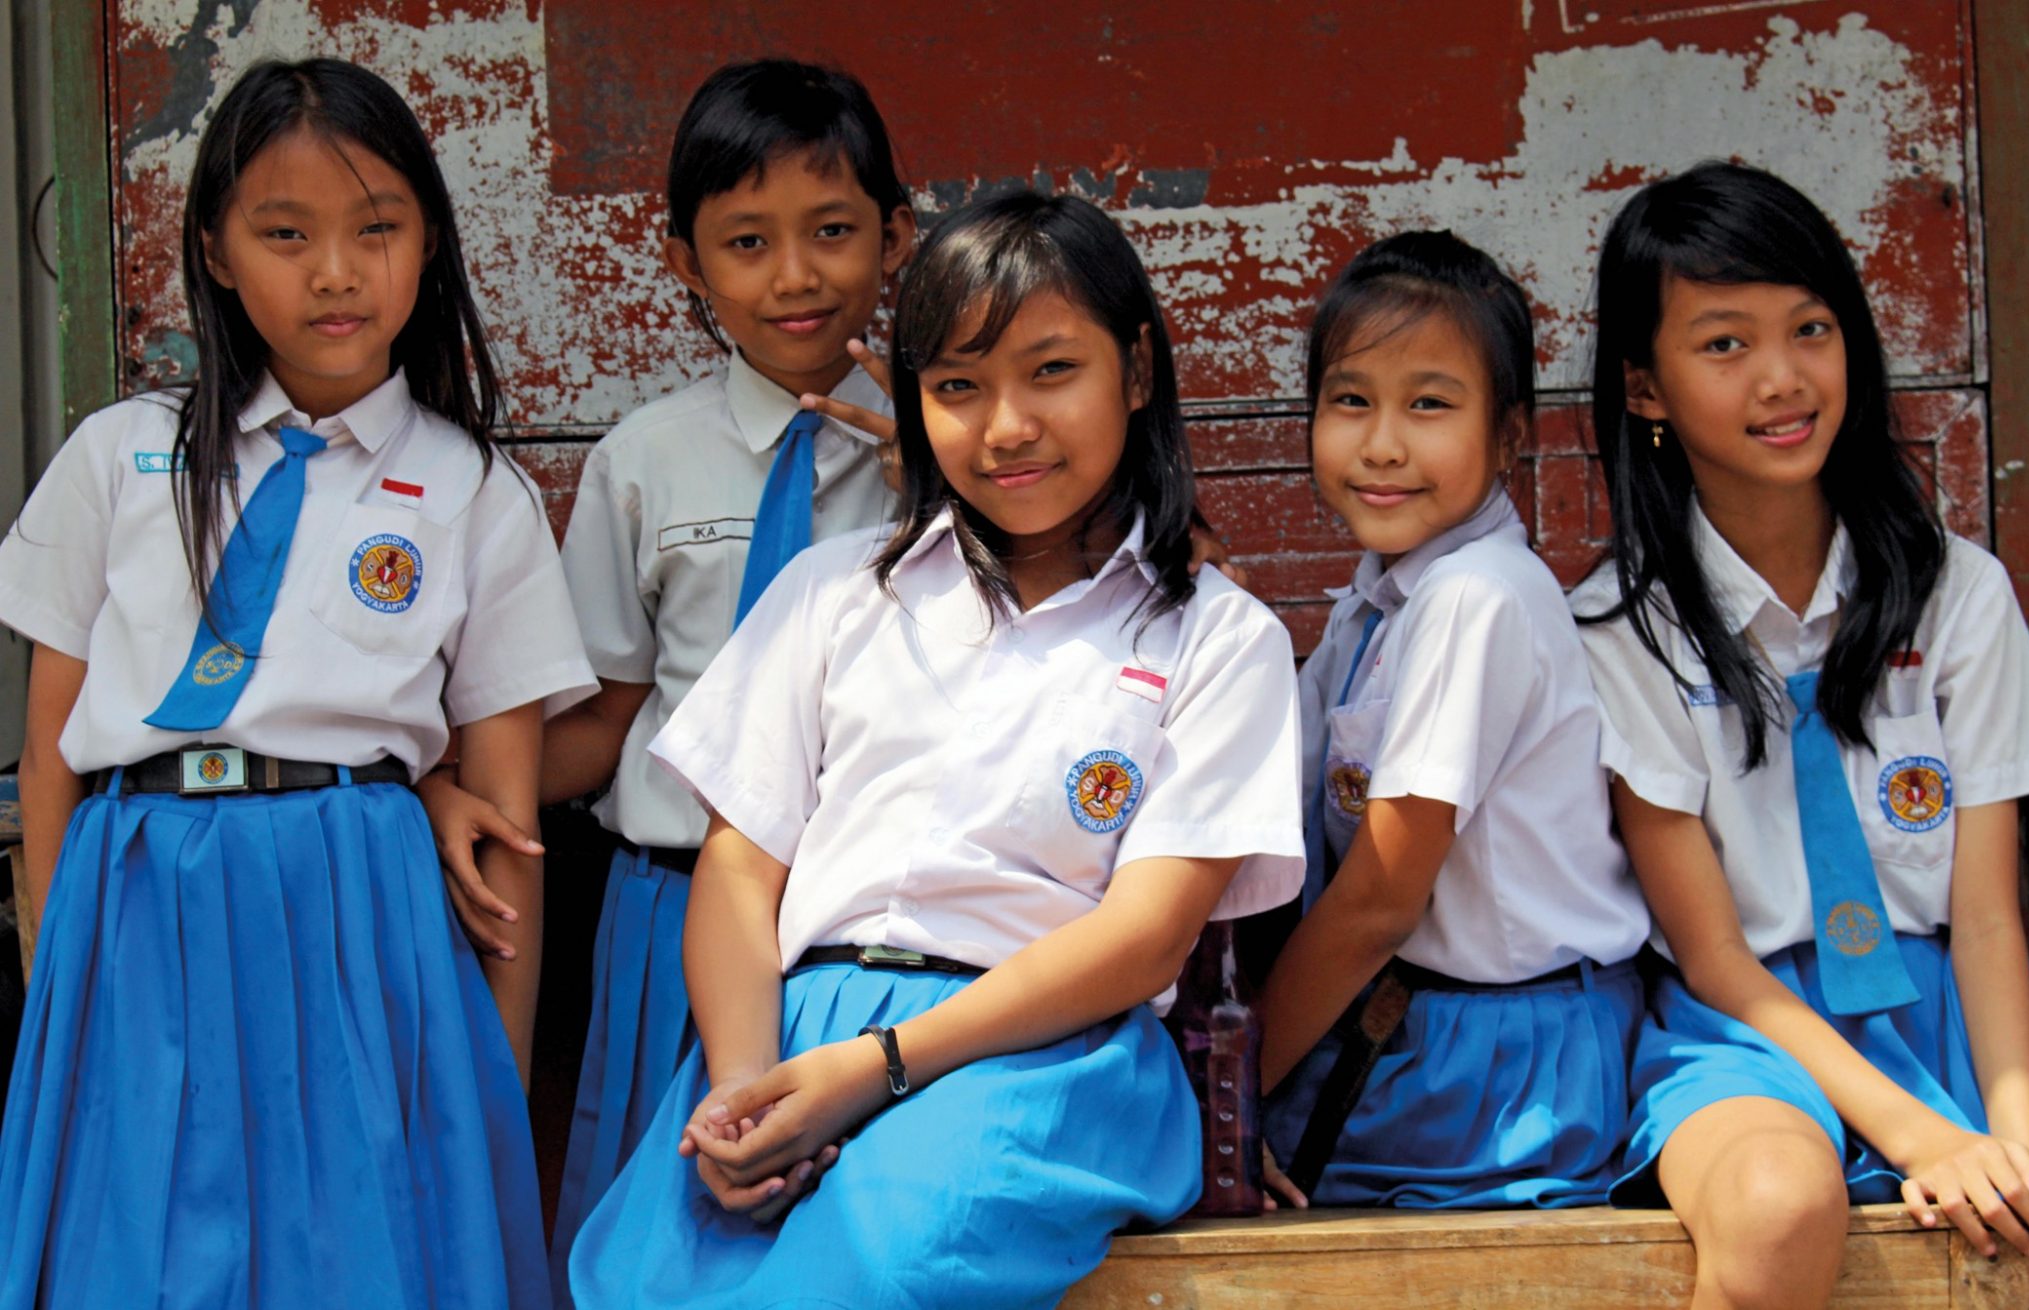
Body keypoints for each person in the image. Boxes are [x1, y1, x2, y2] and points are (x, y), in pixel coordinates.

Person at [567, 191, 1304, 1308]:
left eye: (1051, 371)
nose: (1005, 426)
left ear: (1137, 371)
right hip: (795, 1032)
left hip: (1043, 1058)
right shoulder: (832, 592)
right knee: (636, 1282)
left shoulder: (1216, 637)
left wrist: (883, 1065)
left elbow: (1146, 936)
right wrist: (742, 1085)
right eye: (957, 386)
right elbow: (739, 867)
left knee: (888, 1264)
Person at [0, 58, 593, 1308]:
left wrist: (489, 1077)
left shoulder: (473, 491)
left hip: (359, 915)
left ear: (428, 242)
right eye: (285, 233)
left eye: (376, 228)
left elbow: (507, 825)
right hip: (137, 897)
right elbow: (49, 750)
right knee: (142, 1258)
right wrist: (59, 969)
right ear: (215, 251)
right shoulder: (119, 456)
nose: (335, 271)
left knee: (353, 1255)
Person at [419, 60, 916, 1297]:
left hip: (865, 933)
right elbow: (607, 713)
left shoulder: (956, 458)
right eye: (747, 242)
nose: (793, 276)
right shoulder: (645, 461)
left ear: (895, 238)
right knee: (667, 1231)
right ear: (684, 263)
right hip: (668, 909)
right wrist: (435, 785)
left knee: (854, 1244)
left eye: (832, 231)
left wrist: (942, 491)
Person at [1573, 160, 2029, 1309]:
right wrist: (1921, 1135)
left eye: (1809, 328)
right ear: (1643, 386)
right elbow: (1715, 957)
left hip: (1958, 1006)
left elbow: (1988, 916)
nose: (1781, 377)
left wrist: (2011, 1146)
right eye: (1723, 344)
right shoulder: (1616, 632)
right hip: (1747, 1030)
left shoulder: (1956, 594)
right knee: (1775, 1203)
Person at [1257, 231, 1649, 1210]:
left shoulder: (1476, 595)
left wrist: (1219, 1101)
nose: (1382, 444)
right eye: (1351, 401)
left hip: (1500, 1064)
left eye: (1428, 404)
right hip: (1406, 1032)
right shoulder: (1374, 603)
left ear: (1510, 435)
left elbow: (1380, 902)